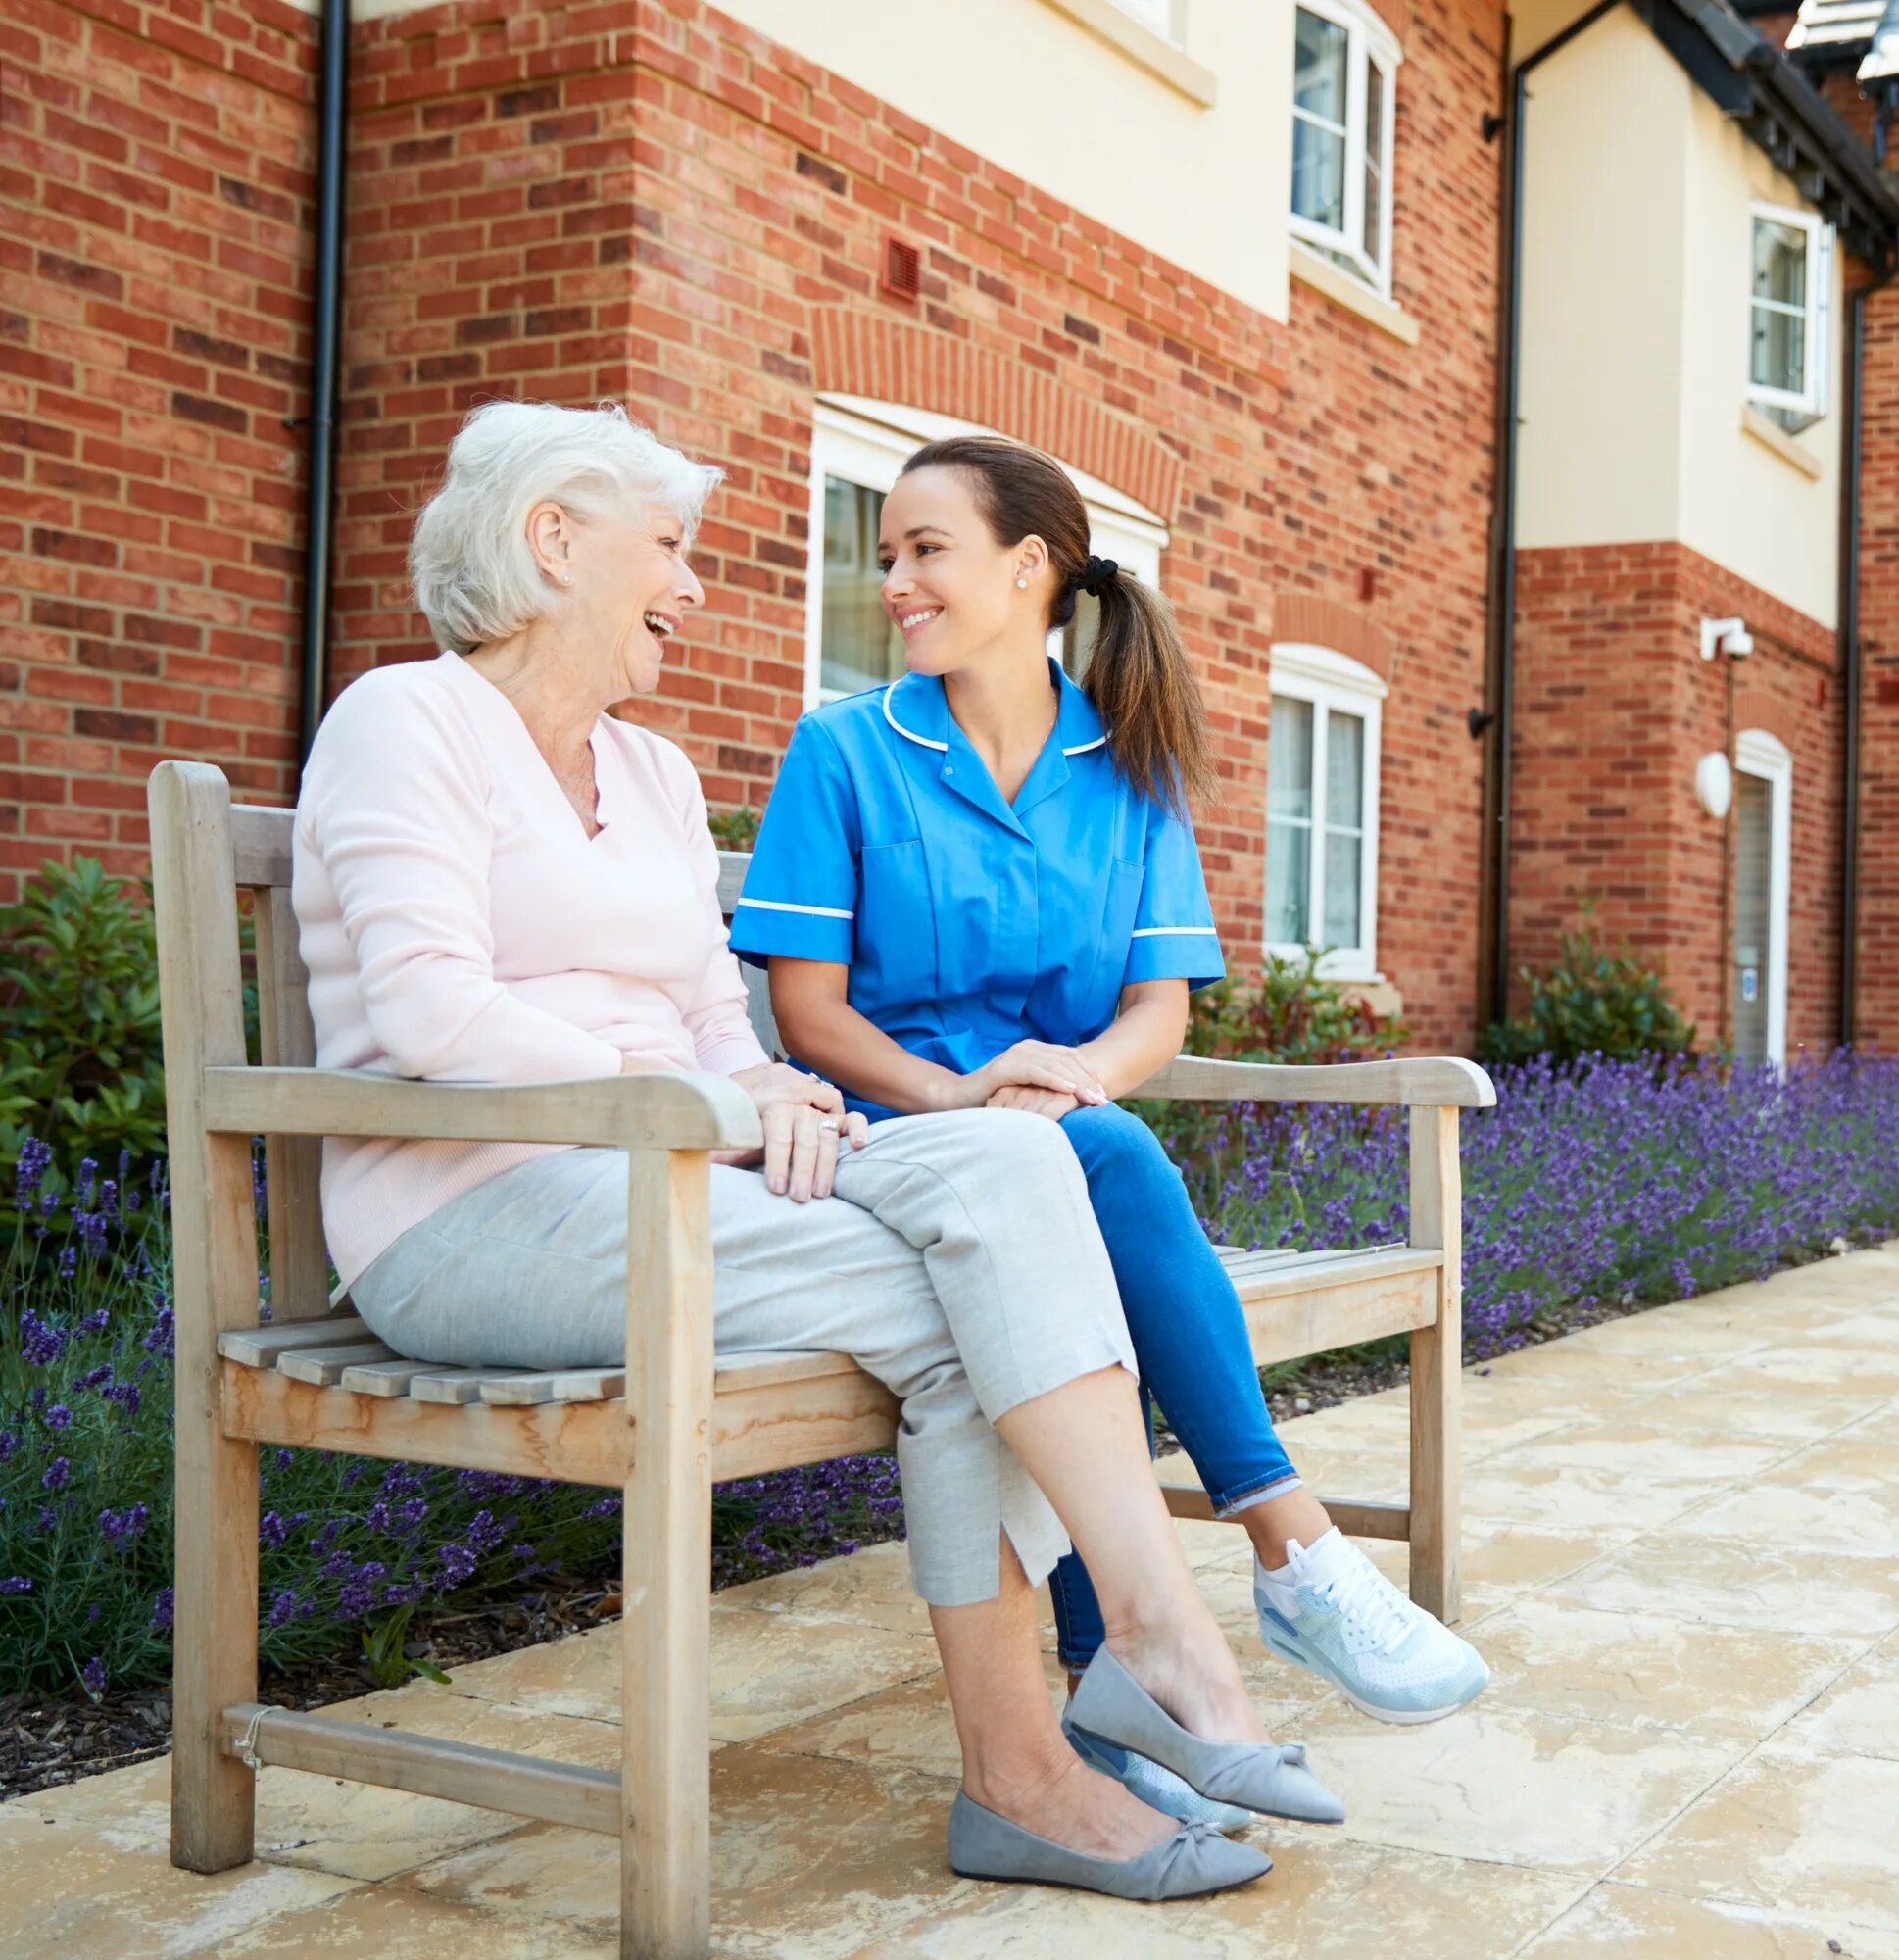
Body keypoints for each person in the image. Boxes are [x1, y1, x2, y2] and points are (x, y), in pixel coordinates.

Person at [292, 400, 1333, 1902]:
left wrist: (762, 1092)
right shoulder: (408, 719)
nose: (697, 587)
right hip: (475, 1211)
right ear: (552, 543)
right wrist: (727, 1108)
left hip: (677, 1179)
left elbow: (720, 1012)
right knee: (982, 1307)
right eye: (672, 550)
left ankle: (1123, 1678)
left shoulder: (645, 773)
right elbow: (433, 1008)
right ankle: (1085, 1721)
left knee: (1021, 1167)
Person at [731, 435, 1489, 1826]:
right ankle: (1291, 1548)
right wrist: (971, 1099)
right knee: (1105, 1170)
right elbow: (809, 1018)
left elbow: (1158, 1012)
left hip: (1055, 1145)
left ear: (1029, 567)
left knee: (1085, 1186)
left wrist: (1071, 1078)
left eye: (924, 549)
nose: (894, 579)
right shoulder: (844, 748)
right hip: (894, 1151)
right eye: (885, 554)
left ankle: (1111, 1689)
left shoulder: (1128, 766)